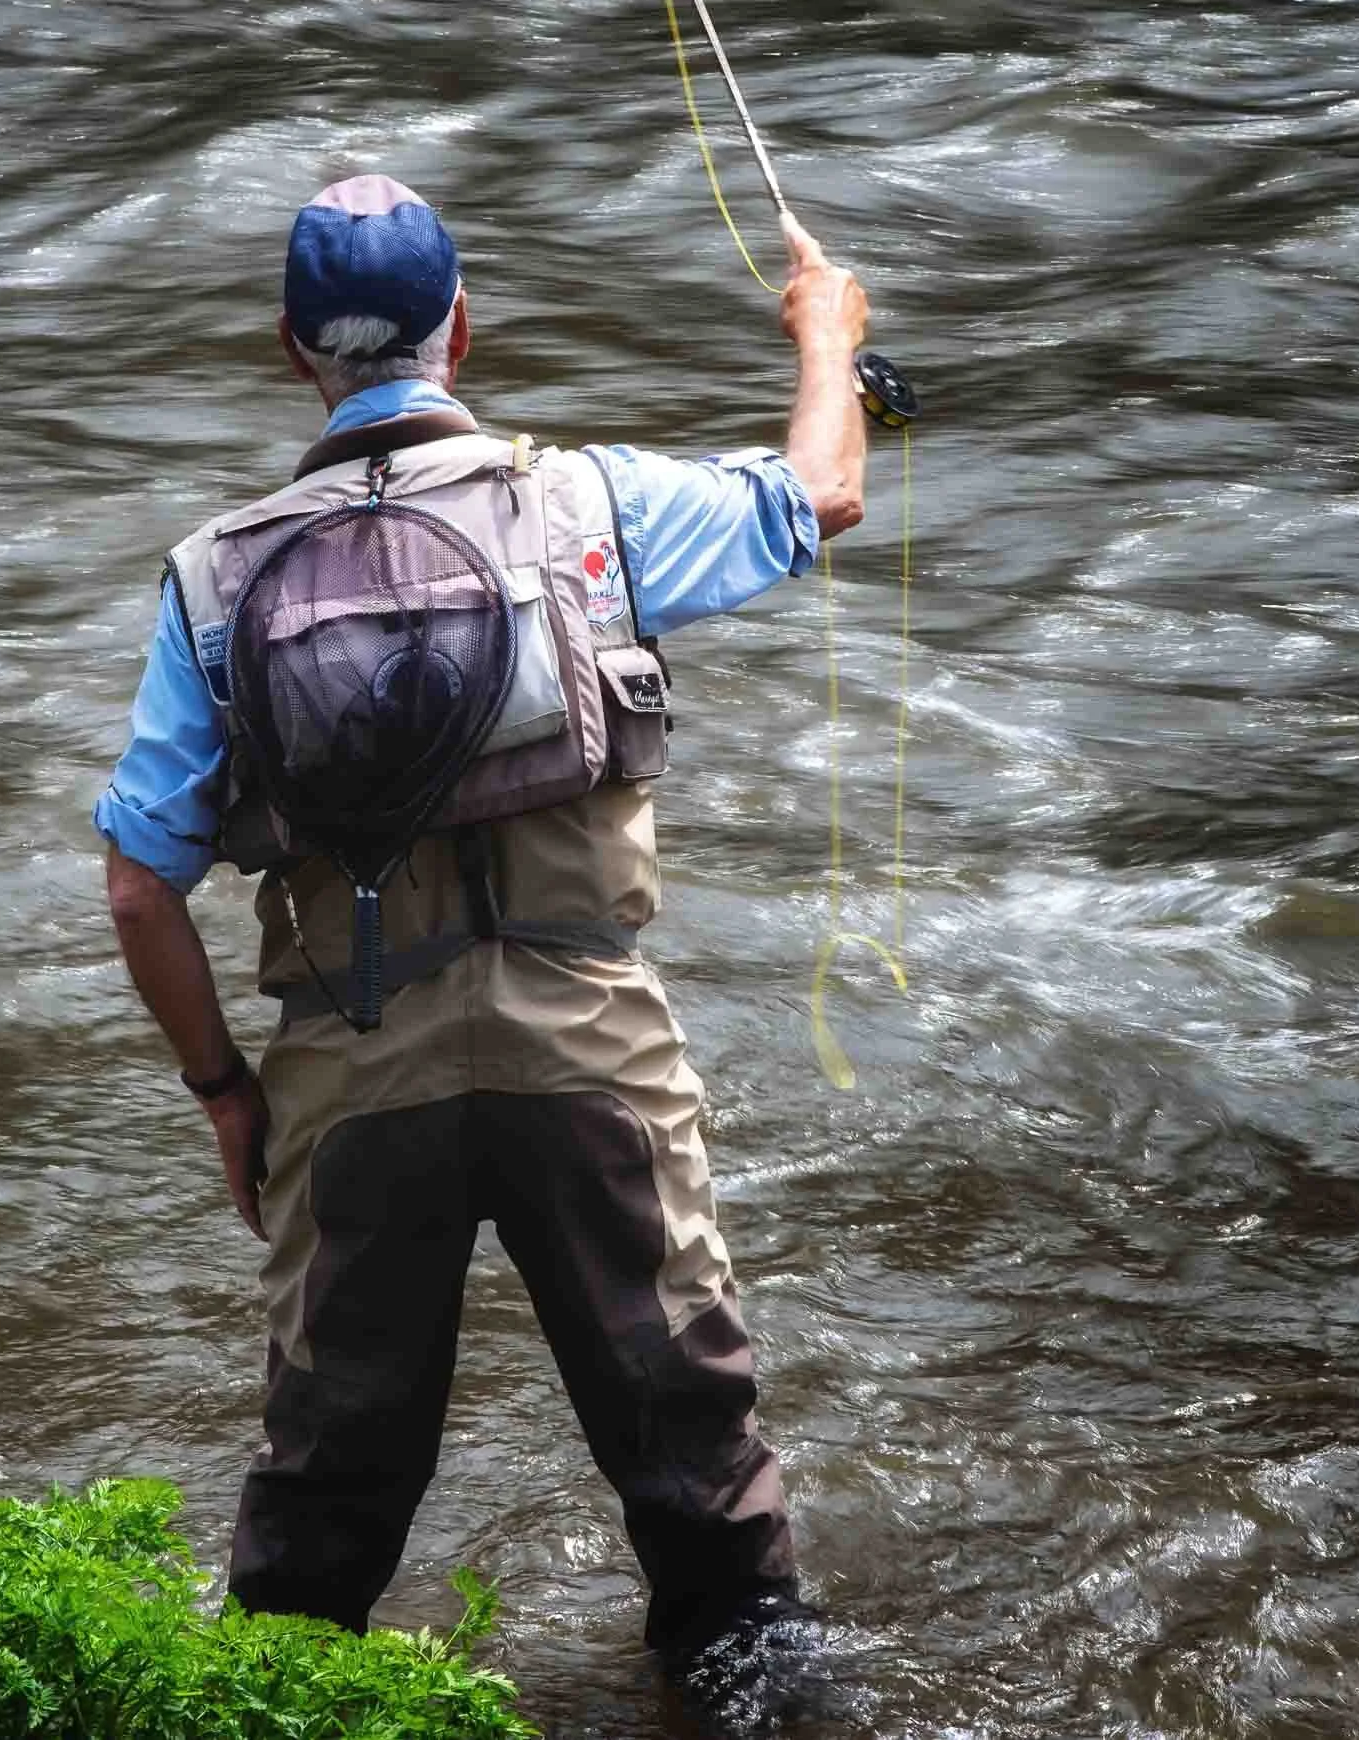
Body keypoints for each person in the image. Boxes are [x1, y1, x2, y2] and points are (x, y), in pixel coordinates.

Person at [95, 173, 869, 1699]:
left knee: (318, 1515)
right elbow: (819, 497)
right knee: (699, 1479)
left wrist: (223, 1092)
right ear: (463, 324)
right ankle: (759, 1694)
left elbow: (139, 886)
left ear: (289, 348)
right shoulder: (589, 508)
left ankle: (285, 1717)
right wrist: (826, 334)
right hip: (590, 1052)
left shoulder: (215, 577)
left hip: (352, 1067)